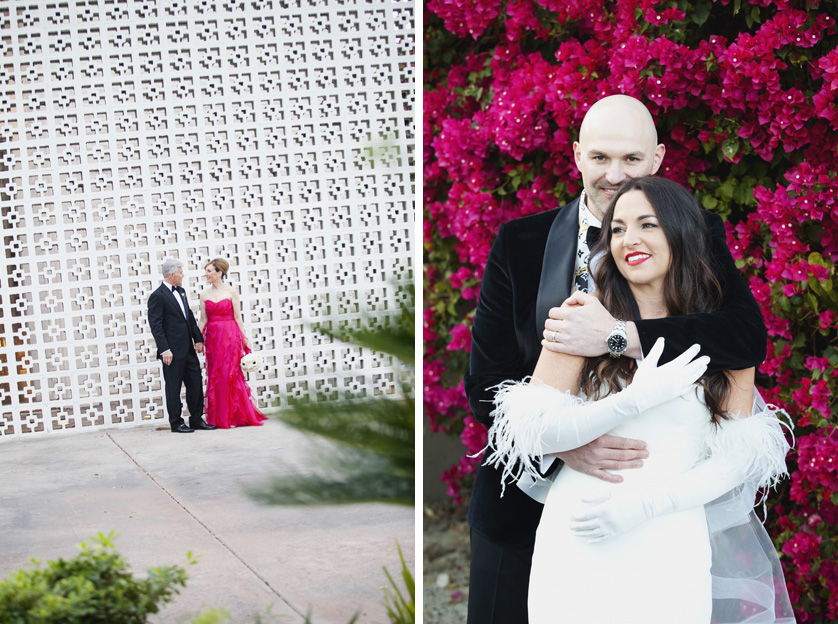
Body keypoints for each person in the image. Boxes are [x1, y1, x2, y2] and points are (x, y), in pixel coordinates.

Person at [463, 95, 768, 622]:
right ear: (578, 155)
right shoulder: (519, 241)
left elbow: (741, 336)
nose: (614, 175)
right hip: (524, 504)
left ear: (657, 161)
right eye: (601, 157)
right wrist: (567, 441)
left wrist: (619, 337)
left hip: (661, 525)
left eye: (631, 160)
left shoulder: (695, 231)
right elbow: (486, 383)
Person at [148, 258, 217, 433]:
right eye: (180, 272)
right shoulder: (157, 296)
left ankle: (196, 419)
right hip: (171, 352)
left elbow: (189, 318)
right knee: (174, 388)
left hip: (188, 349)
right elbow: (156, 325)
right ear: (172, 275)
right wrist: (164, 349)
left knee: (195, 384)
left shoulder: (182, 291)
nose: (183, 275)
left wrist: (198, 339)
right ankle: (176, 422)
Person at [198, 258, 267, 429]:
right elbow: (203, 319)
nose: (205, 274)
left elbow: (238, 317)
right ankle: (219, 417)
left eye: (209, 271)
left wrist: (244, 338)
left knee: (229, 374)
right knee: (216, 374)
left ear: (219, 272)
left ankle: (234, 416)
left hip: (230, 336)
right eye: (206, 271)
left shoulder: (231, 291)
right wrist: (198, 339)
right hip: (212, 338)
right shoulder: (204, 294)